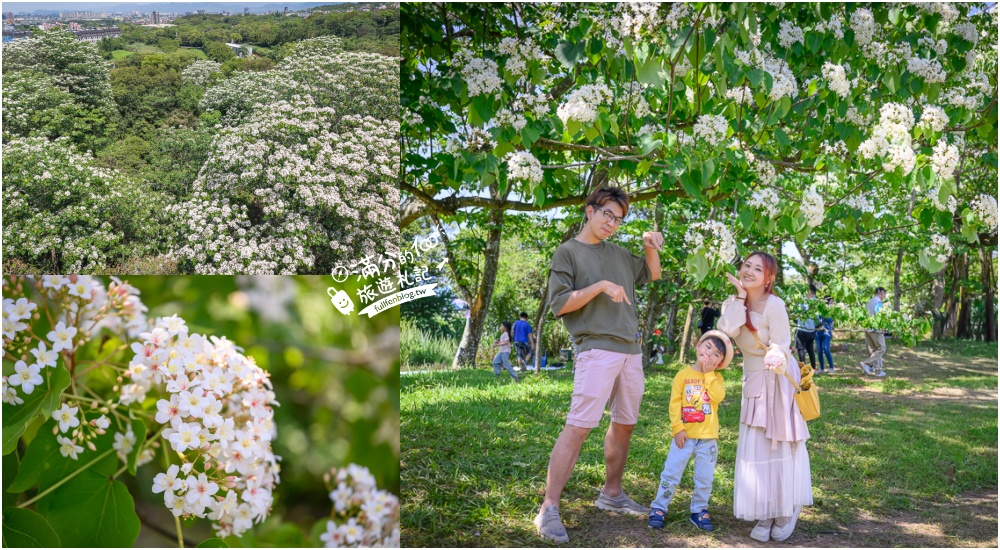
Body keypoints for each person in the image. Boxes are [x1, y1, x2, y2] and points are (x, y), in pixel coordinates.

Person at [533, 186, 663, 544]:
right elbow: (560, 304)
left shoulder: (619, 253)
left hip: (631, 350)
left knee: (625, 423)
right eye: (607, 214)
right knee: (579, 426)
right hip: (595, 349)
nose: (612, 223)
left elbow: (652, 274)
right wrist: (600, 286)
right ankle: (548, 507)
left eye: (619, 219)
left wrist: (651, 245)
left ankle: (612, 494)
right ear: (589, 211)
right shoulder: (568, 252)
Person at [718, 251, 813, 543]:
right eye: (746, 265)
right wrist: (738, 297)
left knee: (779, 442)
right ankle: (766, 510)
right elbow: (724, 333)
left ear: (768, 277)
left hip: (777, 377)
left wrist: (774, 354)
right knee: (757, 444)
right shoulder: (732, 304)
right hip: (753, 380)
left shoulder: (775, 305)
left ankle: (786, 508)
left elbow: (782, 343)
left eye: (757, 269)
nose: (748, 271)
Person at [647, 330, 733, 532]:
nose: (709, 355)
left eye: (715, 355)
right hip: (684, 437)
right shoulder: (683, 375)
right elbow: (674, 403)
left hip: (708, 438)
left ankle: (699, 510)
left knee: (705, 478)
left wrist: (709, 374)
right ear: (698, 346)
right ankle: (659, 508)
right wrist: (677, 428)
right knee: (671, 473)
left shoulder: (716, 379)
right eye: (707, 347)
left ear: (719, 363)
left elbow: (717, 397)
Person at [860, 288, 887, 378]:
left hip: (868, 328)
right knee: (881, 348)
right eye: (884, 294)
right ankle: (866, 363)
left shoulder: (869, 302)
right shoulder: (878, 302)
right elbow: (879, 315)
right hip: (876, 329)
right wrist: (883, 326)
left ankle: (878, 370)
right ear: (881, 293)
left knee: (874, 351)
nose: (884, 296)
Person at [793, 284, 818, 372]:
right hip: (812, 330)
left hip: (802, 329)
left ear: (810, 292)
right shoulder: (818, 303)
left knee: (800, 349)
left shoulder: (803, 302)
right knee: (810, 349)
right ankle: (814, 368)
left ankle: (803, 368)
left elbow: (795, 311)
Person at [816, 296, 835, 373]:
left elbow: (831, 321)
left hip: (826, 332)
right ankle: (821, 369)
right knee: (819, 350)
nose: (832, 302)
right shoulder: (819, 309)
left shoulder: (831, 310)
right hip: (818, 331)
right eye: (831, 301)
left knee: (826, 349)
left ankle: (831, 367)